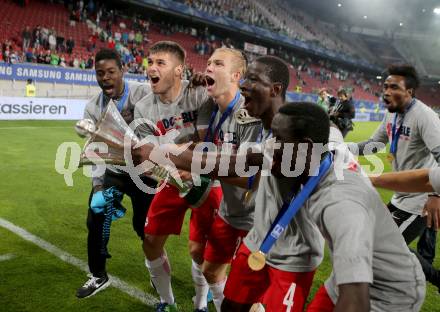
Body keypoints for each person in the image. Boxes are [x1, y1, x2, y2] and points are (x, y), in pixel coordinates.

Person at [133, 55, 324, 312]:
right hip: (249, 225)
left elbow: (243, 171)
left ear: (275, 89)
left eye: (252, 79)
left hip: (290, 244)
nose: (244, 85)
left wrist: (168, 155)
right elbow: (230, 159)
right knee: (217, 280)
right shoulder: (226, 113)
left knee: (259, 303)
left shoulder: (293, 132)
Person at [258, 103, 425, 312]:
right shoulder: (328, 148)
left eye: (279, 139)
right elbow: (330, 127)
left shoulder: (339, 203)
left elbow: (355, 299)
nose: (270, 146)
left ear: (306, 147)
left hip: (389, 293)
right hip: (346, 278)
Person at [133, 41, 222, 312]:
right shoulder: (144, 108)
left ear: (178, 70)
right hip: (171, 179)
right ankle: (166, 301)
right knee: (150, 242)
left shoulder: (198, 93)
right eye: (150, 62)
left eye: (160, 63)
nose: (152, 68)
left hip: (208, 178)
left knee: (201, 251)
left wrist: (208, 82)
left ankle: (201, 304)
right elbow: (148, 156)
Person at [76, 48, 156, 298]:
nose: (106, 77)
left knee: (145, 227)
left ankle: (157, 272)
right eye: (100, 73)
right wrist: (98, 186)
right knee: (96, 218)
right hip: (113, 172)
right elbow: (97, 152)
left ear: (123, 70)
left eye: (111, 71)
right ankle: (98, 275)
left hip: (144, 172)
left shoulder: (143, 93)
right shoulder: (93, 107)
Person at [355, 64, 440, 289]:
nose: (386, 92)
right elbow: (373, 145)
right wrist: (342, 149)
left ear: (409, 92)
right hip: (400, 196)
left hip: (420, 200)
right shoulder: (391, 115)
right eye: (385, 86)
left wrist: (434, 194)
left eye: (394, 87)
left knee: (384, 248)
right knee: (377, 244)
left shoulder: (424, 116)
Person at [193, 48, 262, 311]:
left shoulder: (250, 114)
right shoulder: (213, 112)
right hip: (229, 211)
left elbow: (250, 177)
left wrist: (202, 167)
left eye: (217, 64)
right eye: (208, 62)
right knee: (211, 271)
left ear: (236, 75)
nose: (208, 67)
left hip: (258, 216)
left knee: (250, 293)